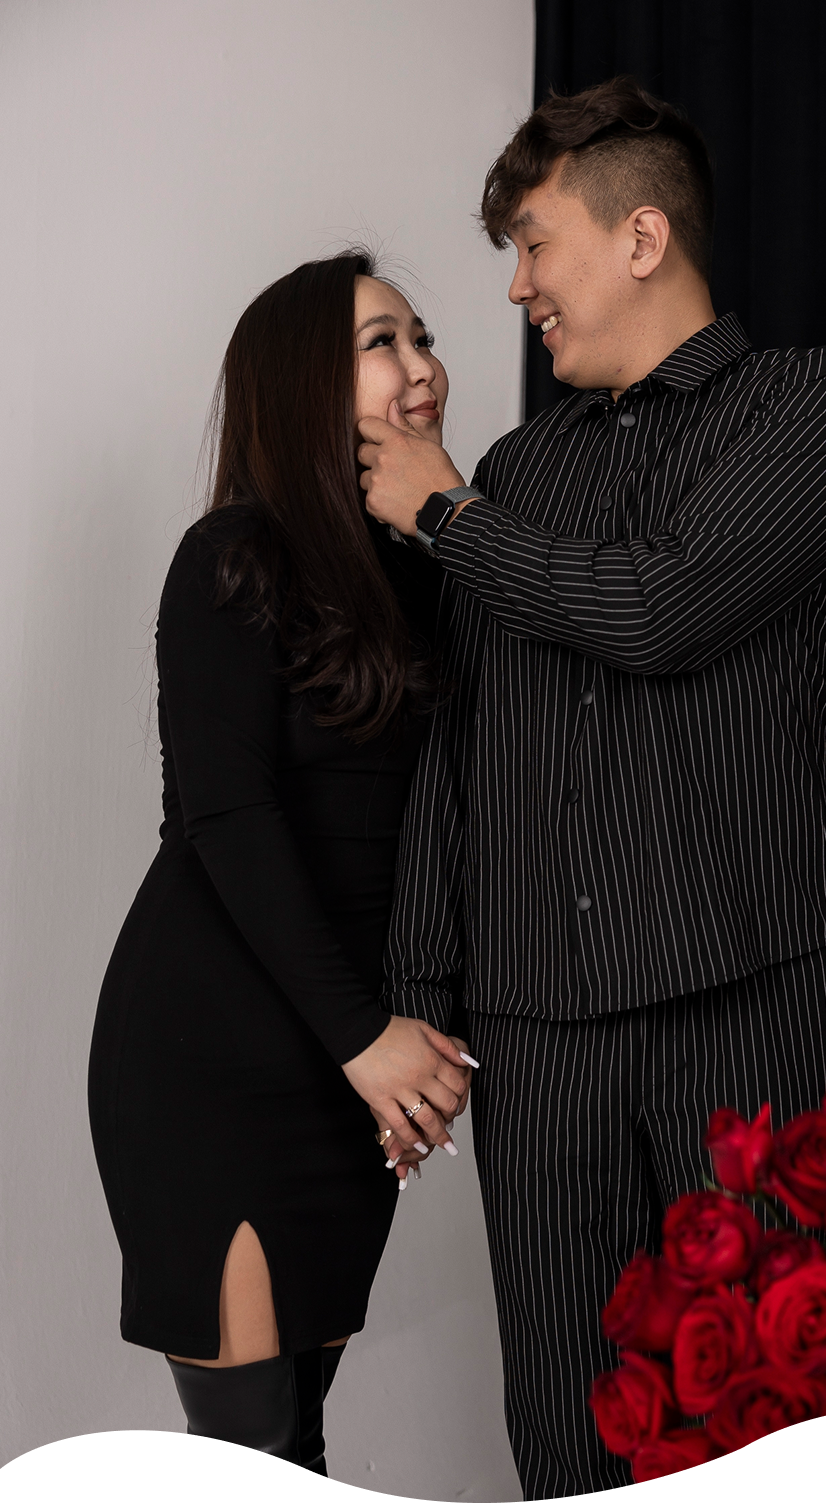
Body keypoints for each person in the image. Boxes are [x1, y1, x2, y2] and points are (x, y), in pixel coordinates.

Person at [358, 76, 826, 1498]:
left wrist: (443, 510)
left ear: (640, 237)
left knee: (785, 1412)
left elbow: (659, 609)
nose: (517, 289)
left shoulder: (817, 402)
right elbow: (462, 752)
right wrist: (415, 994)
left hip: (756, 1007)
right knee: (568, 1440)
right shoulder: (516, 469)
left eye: (534, 246)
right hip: (536, 1039)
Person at [87, 249, 476, 1479]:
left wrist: (405, 1038)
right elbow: (229, 816)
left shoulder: (435, 572)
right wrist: (369, 1041)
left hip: (351, 1061)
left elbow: (464, 823)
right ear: (300, 380)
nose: (421, 366)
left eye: (423, 337)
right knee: (251, 1440)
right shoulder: (233, 556)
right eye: (380, 343)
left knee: (296, 1435)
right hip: (218, 1052)